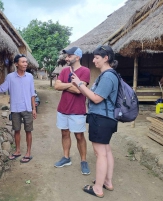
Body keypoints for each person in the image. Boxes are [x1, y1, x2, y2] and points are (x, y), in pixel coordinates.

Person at [71, 45, 119, 198]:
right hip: (107, 118)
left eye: (97, 58)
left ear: (106, 58)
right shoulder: (111, 75)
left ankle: (98, 188)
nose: (94, 60)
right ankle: (107, 181)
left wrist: (79, 84)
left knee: (100, 153)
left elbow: (96, 98)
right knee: (106, 151)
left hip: (101, 119)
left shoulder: (108, 76)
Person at [0, 54, 37, 163]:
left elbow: (32, 94)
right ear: (16, 64)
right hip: (15, 108)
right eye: (23, 62)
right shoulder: (10, 77)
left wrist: (34, 109)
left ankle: (28, 153)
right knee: (16, 130)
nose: (25, 64)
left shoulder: (29, 77)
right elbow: (1, 89)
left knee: (28, 131)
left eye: (26, 62)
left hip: (27, 108)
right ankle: (17, 151)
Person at [54, 47, 91, 175]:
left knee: (79, 135)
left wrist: (67, 85)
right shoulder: (64, 70)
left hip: (77, 110)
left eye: (69, 56)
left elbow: (79, 90)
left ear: (77, 57)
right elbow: (56, 86)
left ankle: (84, 161)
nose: (67, 58)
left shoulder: (85, 71)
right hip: (62, 109)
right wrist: (73, 84)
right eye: (67, 56)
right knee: (64, 133)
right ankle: (66, 157)